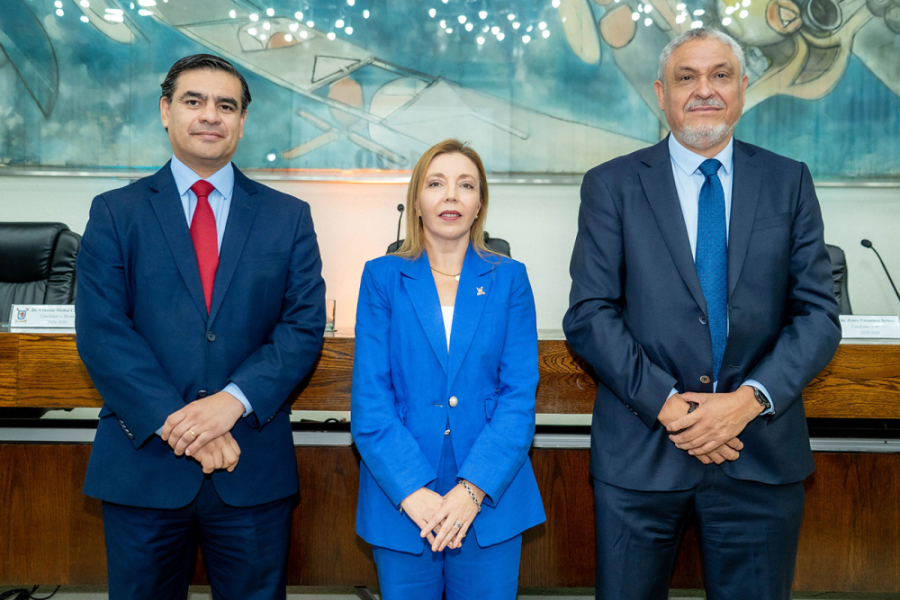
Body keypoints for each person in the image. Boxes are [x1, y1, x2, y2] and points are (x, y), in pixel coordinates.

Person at [563, 28, 841, 600]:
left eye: (719, 75)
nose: (704, 90)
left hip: (758, 455)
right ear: (662, 93)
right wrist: (672, 407)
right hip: (641, 457)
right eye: (686, 78)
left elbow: (817, 315)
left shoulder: (788, 182)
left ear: (742, 87)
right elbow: (590, 314)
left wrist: (745, 403)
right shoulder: (612, 185)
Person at [75, 54, 325, 599]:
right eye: (194, 101)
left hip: (252, 465)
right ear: (166, 112)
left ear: (241, 121)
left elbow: (302, 327)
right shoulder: (116, 212)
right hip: (144, 465)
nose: (210, 115)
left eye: (226, 105)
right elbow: (102, 331)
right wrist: (181, 425)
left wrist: (231, 402)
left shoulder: (289, 216)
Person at [350, 139, 545, 599]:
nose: (451, 196)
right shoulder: (382, 277)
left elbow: (518, 398)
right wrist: (412, 493)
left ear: (480, 205)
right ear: (417, 201)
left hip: (489, 497)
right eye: (436, 184)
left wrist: (471, 491)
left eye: (466, 185)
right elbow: (370, 401)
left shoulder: (509, 277)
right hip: (402, 499)